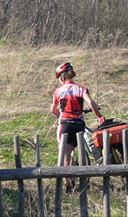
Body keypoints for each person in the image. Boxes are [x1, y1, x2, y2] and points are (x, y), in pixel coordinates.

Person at [51, 62, 104, 190]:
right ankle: (83, 176)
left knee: (65, 154)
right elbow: (90, 102)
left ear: (62, 78)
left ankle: (69, 184)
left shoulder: (58, 91)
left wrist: (61, 116)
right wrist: (99, 116)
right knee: (79, 148)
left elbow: (53, 110)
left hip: (65, 125)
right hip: (78, 124)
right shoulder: (81, 89)